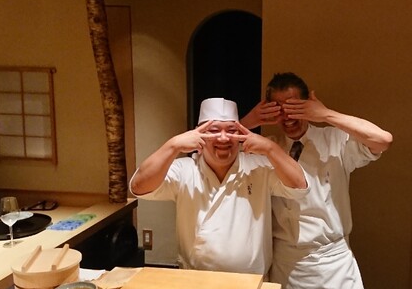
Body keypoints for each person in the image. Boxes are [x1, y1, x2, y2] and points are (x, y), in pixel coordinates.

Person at [241, 72, 393, 289]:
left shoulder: (335, 140)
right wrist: (248, 122)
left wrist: (325, 114)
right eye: (279, 109)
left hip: (332, 264)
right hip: (286, 265)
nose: (287, 117)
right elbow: (216, 150)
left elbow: (382, 140)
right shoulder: (268, 147)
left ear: (307, 106)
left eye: (294, 108)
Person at [130, 97, 308, 276]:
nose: (223, 138)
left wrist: (271, 148)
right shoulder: (185, 169)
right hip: (195, 279)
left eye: (231, 130)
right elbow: (139, 186)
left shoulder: (258, 166)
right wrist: (173, 145)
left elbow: (299, 186)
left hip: (252, 279)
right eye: (214, 131)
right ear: (198, 135)